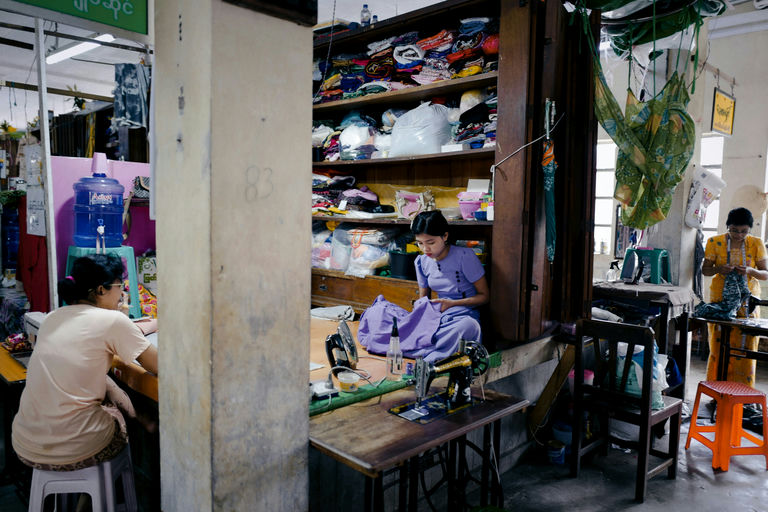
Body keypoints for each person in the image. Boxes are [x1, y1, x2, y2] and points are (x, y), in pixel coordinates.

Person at [12, 254, 158, 471]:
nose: (123, 292)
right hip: (73, 451)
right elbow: (159, 366)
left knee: (104, 382)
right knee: (116, 414)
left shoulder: (54, 316)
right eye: (121, 285)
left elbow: (107, 330)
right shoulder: (113, 321)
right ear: (101, 290)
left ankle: (143, 420)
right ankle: (101, 495)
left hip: (26, 444)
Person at [701, 207, 768, 387]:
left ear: (750, 229)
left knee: (746, 345)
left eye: (744, 231)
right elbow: (705, 270)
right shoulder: (715, 242)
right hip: (720, 301)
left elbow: (765, 273)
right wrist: (718, 269)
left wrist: (750, 271)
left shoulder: (756, 243)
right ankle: (717, 389)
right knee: (718, 345)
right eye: (734, 230)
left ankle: (742, 392)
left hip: (748, 301)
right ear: (727, 227)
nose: (739, 235)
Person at [412, 210, 489, 357]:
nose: (425, 249)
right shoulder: (421, 262)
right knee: (381, 313)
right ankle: (428, 347)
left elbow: (484, 297)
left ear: (445, 236)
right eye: (420, 243)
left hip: (462, 316)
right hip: (437, 315)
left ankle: (428, 351)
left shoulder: (465, 257)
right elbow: (423, 300)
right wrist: (420, 311)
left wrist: (451, 304)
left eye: (431, 242)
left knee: (468, 327)